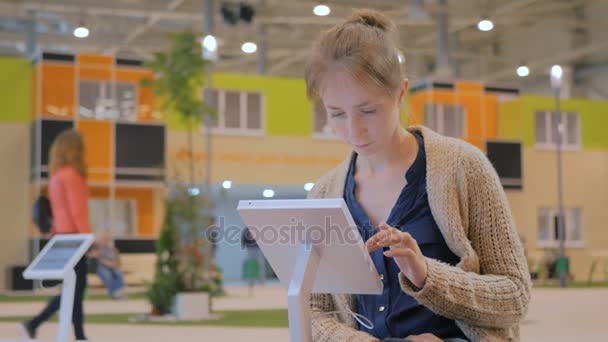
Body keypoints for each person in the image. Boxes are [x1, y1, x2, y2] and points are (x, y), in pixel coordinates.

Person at [304, 9, 531, 342]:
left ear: (400, 93)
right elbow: (314, 310)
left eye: (368, 110)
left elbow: (516, 295)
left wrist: (427, 276)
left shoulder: (463, 167)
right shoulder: (323, 194)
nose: (353, 129)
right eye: (336, 113)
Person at [20, 130, 92, 341]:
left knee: (73, 288)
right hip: (74, 237)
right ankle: (34, 323)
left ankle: (79, 335)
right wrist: (89, 239)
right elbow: (77, 211)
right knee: (75, 289)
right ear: (76, 150)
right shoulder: (72, 175)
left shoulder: (56, 176)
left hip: (59, 237)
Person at [89, 231, 126, 300]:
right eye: (103, 239)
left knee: (118, 272)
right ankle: (115, 295)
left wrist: (112, 264)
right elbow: (92, 256)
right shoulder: (97, 248)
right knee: (106, 274)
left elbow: (118, 263)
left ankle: (120, 293)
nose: (105, 241)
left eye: (107, 239)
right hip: (100, 267)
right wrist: (105, 262)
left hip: (112, 266)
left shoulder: (113, 249)